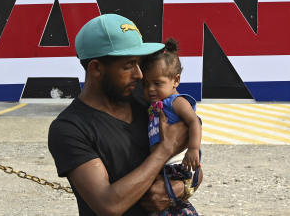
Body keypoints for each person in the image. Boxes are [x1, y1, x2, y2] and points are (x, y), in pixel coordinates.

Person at [48, 14, 191, 216]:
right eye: (128, 65)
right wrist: (164, 151)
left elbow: (193, 166)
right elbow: (108, 205)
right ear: (96, 68)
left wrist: (180, 188)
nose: (139, 74)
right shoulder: (70, 128)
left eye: (139, 64)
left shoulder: (147, 101)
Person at [140, 38, 203, 216]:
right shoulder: (155, 104)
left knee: (173, 206)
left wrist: (193, 149)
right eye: (145, 85)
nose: (150, 89)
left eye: (157, 83)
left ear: (175, 80)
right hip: (163, 165)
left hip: (178, 164)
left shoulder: (176, 102)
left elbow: (194, 122)